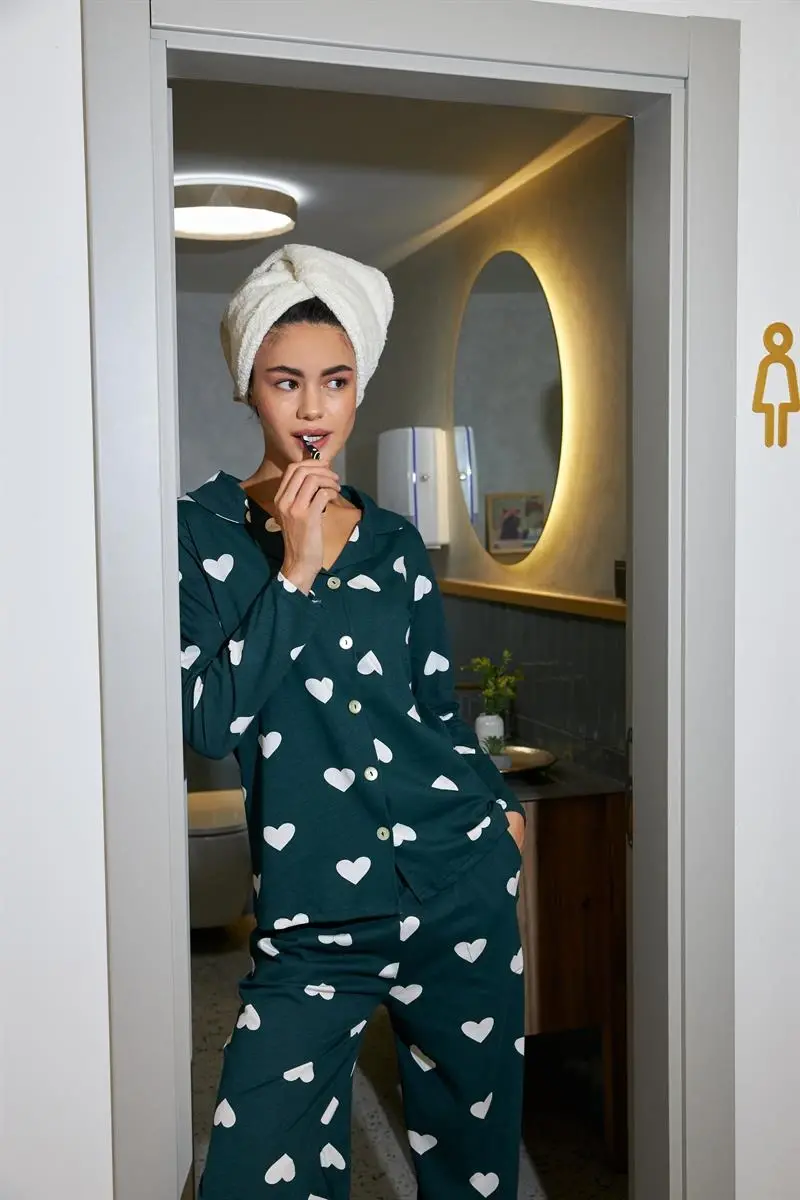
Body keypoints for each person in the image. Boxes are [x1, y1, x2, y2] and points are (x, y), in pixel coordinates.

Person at [178, 244, 527, 1199]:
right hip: (314, 907)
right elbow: (208, 720)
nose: (312, 409)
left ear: (359, 388)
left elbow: (435, 707)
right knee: (255, 1173)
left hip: (456, 879)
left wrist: (498, 811)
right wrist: (293, 568)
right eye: (285, 381)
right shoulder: (198, 534)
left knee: (476, 1165)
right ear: (247, 385)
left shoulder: (396, 544)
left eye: (335, 381)